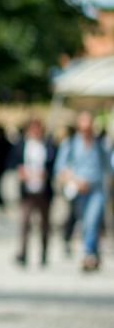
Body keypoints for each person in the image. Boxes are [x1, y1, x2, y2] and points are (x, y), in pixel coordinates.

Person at [54, 111, 109, 272]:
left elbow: (108, 166)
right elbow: (60, 169)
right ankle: (93, 254)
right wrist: (75, 181)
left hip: (96, 189)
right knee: (86, 223)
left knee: (92, 220)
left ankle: (88, 254)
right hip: (79, 190)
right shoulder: (70, 143)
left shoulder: (100, 144)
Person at [9, 119, 56, 267]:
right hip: (27, 191)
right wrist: (21, 172)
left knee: (44, 224)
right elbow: (13, 163)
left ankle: (44, 253)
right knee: (24, 222)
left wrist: (46, 174)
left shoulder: (48, 146)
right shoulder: (22, 146)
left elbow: (53, 166)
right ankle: (23, 253)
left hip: (43, 191)